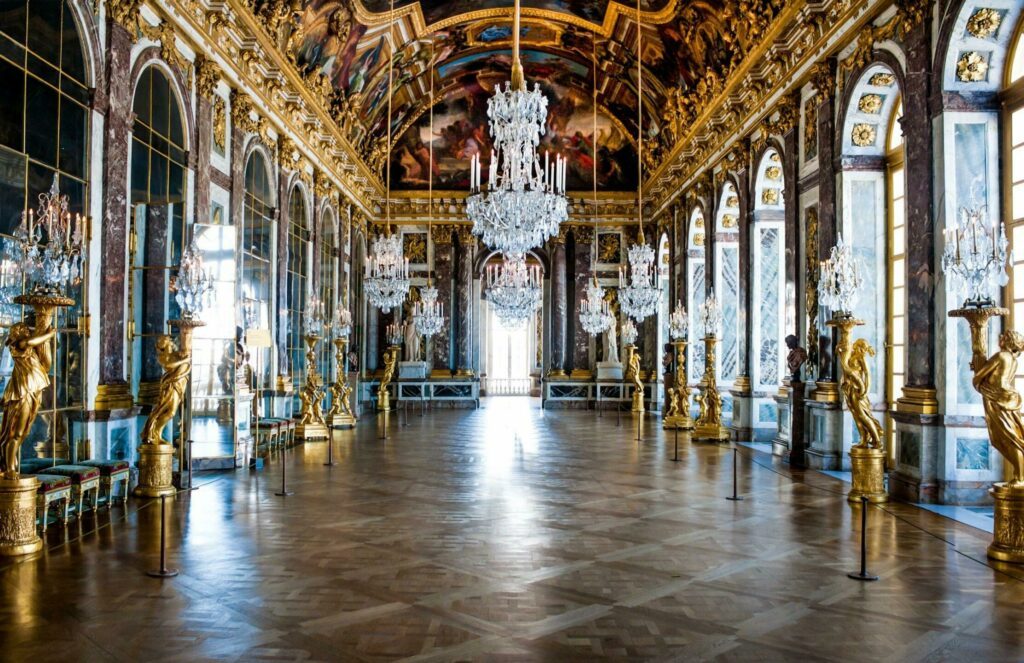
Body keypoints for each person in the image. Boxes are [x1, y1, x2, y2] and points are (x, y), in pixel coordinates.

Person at [0, 321, 56, 478]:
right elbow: (31, 341)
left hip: (31, 391)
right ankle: (9, 468)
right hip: (22, 393)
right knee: (15, 433)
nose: (27, 330)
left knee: (23, 432)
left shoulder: (28, 348)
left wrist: (47, 338)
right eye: (24, 328)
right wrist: (48, 335)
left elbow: (46, 364)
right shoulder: (20, 344)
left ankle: (9, 462)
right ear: (18, 332)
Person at [973, 331, 1024, 485]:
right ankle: (1019, 473)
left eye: (1004, 337)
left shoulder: (1000, 356)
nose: (1000, 338)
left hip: (997, 398)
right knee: (1011, 437)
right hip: (1009, 397)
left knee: (1009, 438)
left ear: (1008, 341)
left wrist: (978, 380)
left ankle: (1020, 477)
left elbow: (979, 376)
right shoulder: (1014, 361)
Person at [141, 335, 192, 447]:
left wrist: (185, 359)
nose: (169, 343)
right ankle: (155, 433)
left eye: (168, 341)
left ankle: (156, 433)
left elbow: (186, 359)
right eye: (165, 341)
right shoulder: (163, 357)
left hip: (178, 384)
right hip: (170, 386)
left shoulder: (177, 355)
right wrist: (184, 361)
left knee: (170, 412)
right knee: (168, 411)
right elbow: (169, 365)